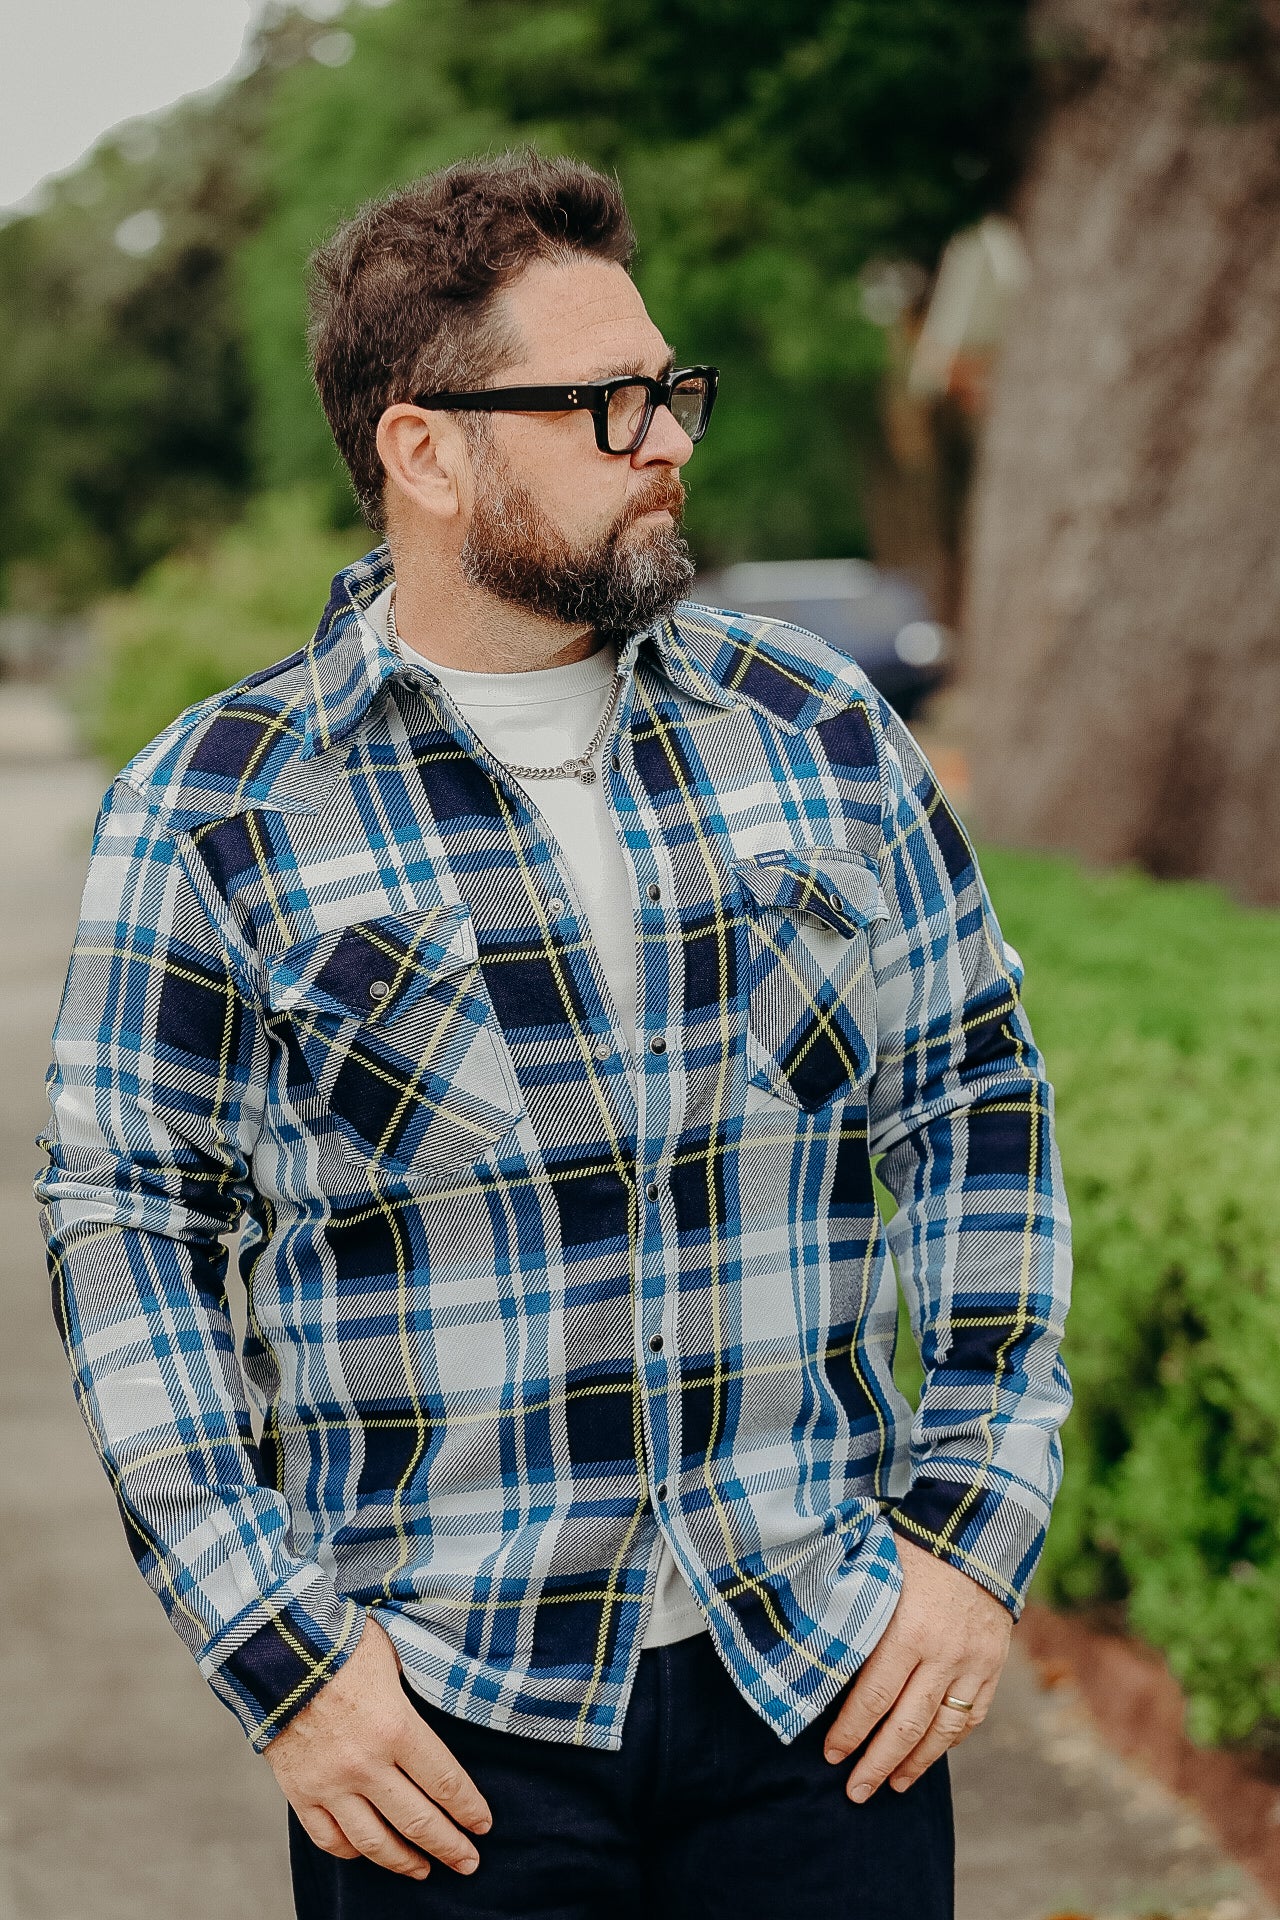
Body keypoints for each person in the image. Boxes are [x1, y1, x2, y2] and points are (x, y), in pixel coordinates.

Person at [38, 152, 1072, 1920]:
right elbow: (128, 1226)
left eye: (668, 388)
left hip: (825, 1695)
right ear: (424, 451)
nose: (666, 435)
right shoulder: (218, 809)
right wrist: (284, 1658)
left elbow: (976, 1098)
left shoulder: (812, 728)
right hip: (445, 1743)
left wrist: (969, 1540)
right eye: (601, 403)